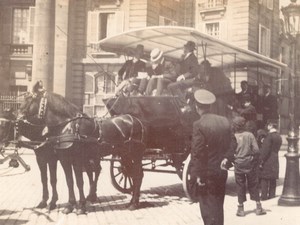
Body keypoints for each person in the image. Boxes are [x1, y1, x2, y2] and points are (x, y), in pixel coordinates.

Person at [190, 89, 236, 225]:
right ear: (210, 106)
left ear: (197, 107)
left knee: (207, 208)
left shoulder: (198, 124)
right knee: (218, 205)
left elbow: (197, 152)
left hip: (206, 174)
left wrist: (198, 176)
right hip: (221, 172)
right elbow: (233, 142)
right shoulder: (224, 121)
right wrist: (227, 158)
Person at [232, 116, 266, 217]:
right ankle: (258, 207)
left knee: (240, 185)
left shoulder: (234, 136)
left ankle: (241, 208)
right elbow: (256, 150)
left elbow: (231, 150)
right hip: (249, 163)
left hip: (238, 164)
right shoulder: (249, 135)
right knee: (253, 184)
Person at [167, 41, 198, 105]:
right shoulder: (184, 57)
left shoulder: (193, 58)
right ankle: (177, 102)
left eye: (185, 47)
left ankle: (183, 104)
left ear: (189, 48)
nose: (184, 48)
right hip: (181, 78)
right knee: (171, 85)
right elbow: (178, 69)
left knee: (171, 86)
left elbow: (193, 72)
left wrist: (183, 76)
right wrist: (179, 61)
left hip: (189, 80)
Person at [259, 121, 282, 200]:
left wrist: (261, 160)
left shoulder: (269, 136)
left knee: (264, 178)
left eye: (268, 125)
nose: (267, 127)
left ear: (270, 125)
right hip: (275, 158)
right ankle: (272, 195)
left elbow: (266, 150)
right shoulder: (279, 136)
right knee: (273, 178)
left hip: (268, 159)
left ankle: (264, 196)